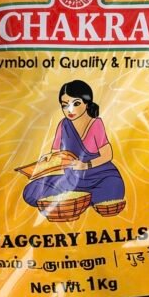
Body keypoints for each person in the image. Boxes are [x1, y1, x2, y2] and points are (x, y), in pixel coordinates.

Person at [22, 80, 125, 211]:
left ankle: (74, 200)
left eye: (76, 104)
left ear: (87, 103)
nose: (69, 110)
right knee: (31, 192)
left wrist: (85, 165)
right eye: (65, 105)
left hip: (99, 176)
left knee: (112, 188)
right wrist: (48, 159)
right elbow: (56, 152)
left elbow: (107, 154)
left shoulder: (96, 124)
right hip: (70, 178)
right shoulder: (63, 124)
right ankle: (77, 199)